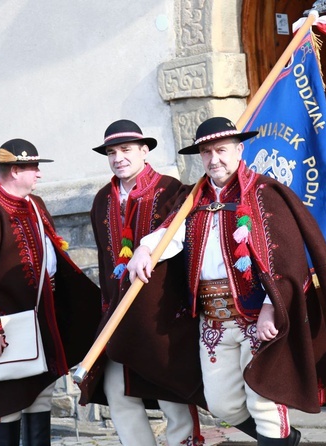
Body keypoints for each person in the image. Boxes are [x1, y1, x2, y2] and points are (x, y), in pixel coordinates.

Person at [127, 117, 326, 446]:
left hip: (256, 315)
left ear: (239, 150)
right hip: (213, 320)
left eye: (221, 150)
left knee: (264, 399)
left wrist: (270, 308)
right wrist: (144, 250)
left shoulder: (264, 193)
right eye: (206, 152)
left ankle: (276, 438)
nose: (214, 159)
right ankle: (284, 440)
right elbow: (169, 234)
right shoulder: (194, 198)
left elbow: (287, 260)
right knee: (222, 404)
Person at [0, 139, 102, 446]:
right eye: (33, 168)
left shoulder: (36, 204)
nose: (39, 175)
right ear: (15, 170)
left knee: (40, 397)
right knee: (7, 403)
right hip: (6, 329)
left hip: (42, 321)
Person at [79, 119, 204, 446]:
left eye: (125, 150)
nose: (118, 157)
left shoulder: (170, 190)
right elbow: (105, 261)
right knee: (117, 393)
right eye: (111, 152)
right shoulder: (101, 200)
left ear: (144, 150)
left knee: (170, 394)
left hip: (159, 317)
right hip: (117, 317)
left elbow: (180, 241)